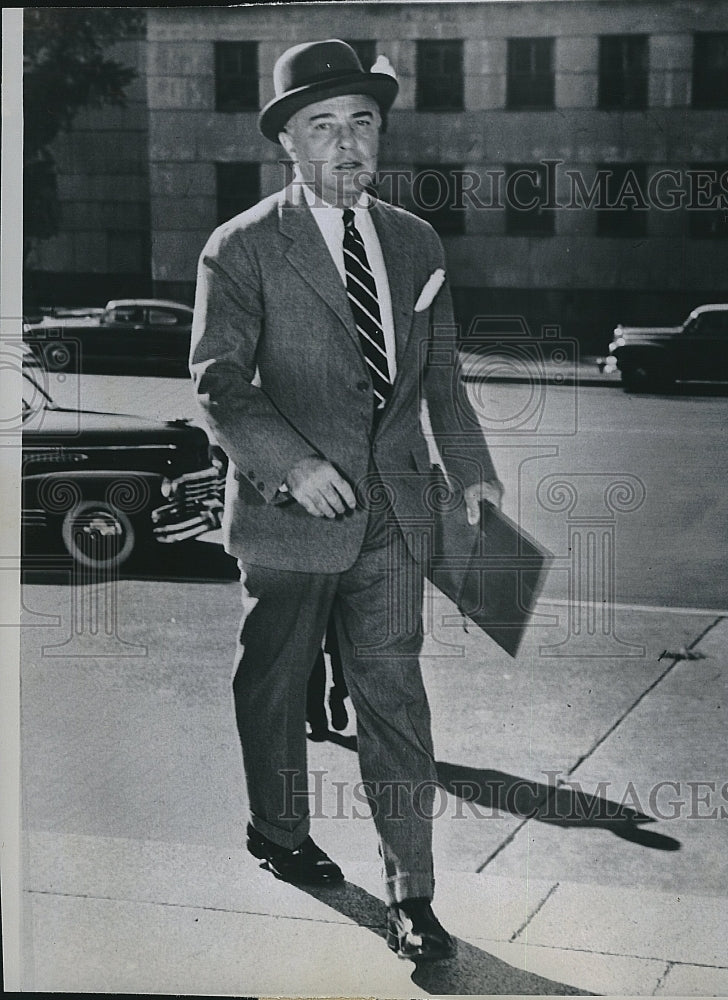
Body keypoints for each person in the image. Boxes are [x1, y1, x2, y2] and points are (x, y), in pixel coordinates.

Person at [190, 39, 502, 962]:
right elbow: (218, 382)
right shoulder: (241, 245)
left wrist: (472, 464)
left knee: (394, 696)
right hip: (288, 520)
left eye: (360, 123)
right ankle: (279, 832)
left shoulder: (414, 240)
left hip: (397, 517)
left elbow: (437, 371)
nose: (345, 144)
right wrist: (290, 464)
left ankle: (414, 894)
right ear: (287, 142)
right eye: (321, 126)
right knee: (276, 688)